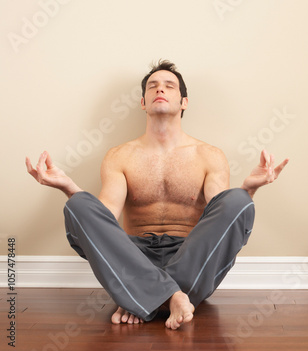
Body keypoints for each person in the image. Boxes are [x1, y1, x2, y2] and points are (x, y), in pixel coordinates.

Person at [25, 60, 288, 330]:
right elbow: (105, 218)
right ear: (143, 102)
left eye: (169, 86)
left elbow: (220, 217)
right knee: (77, 204)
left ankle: (138, 295)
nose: (159, 89)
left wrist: (250, 190)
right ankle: (173, 296)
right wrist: (68, 186)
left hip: (191, 258)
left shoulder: (209, 155)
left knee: (238, 200)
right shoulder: (120, 155)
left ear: (184, 102)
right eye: (152, 86)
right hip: (133, 255)